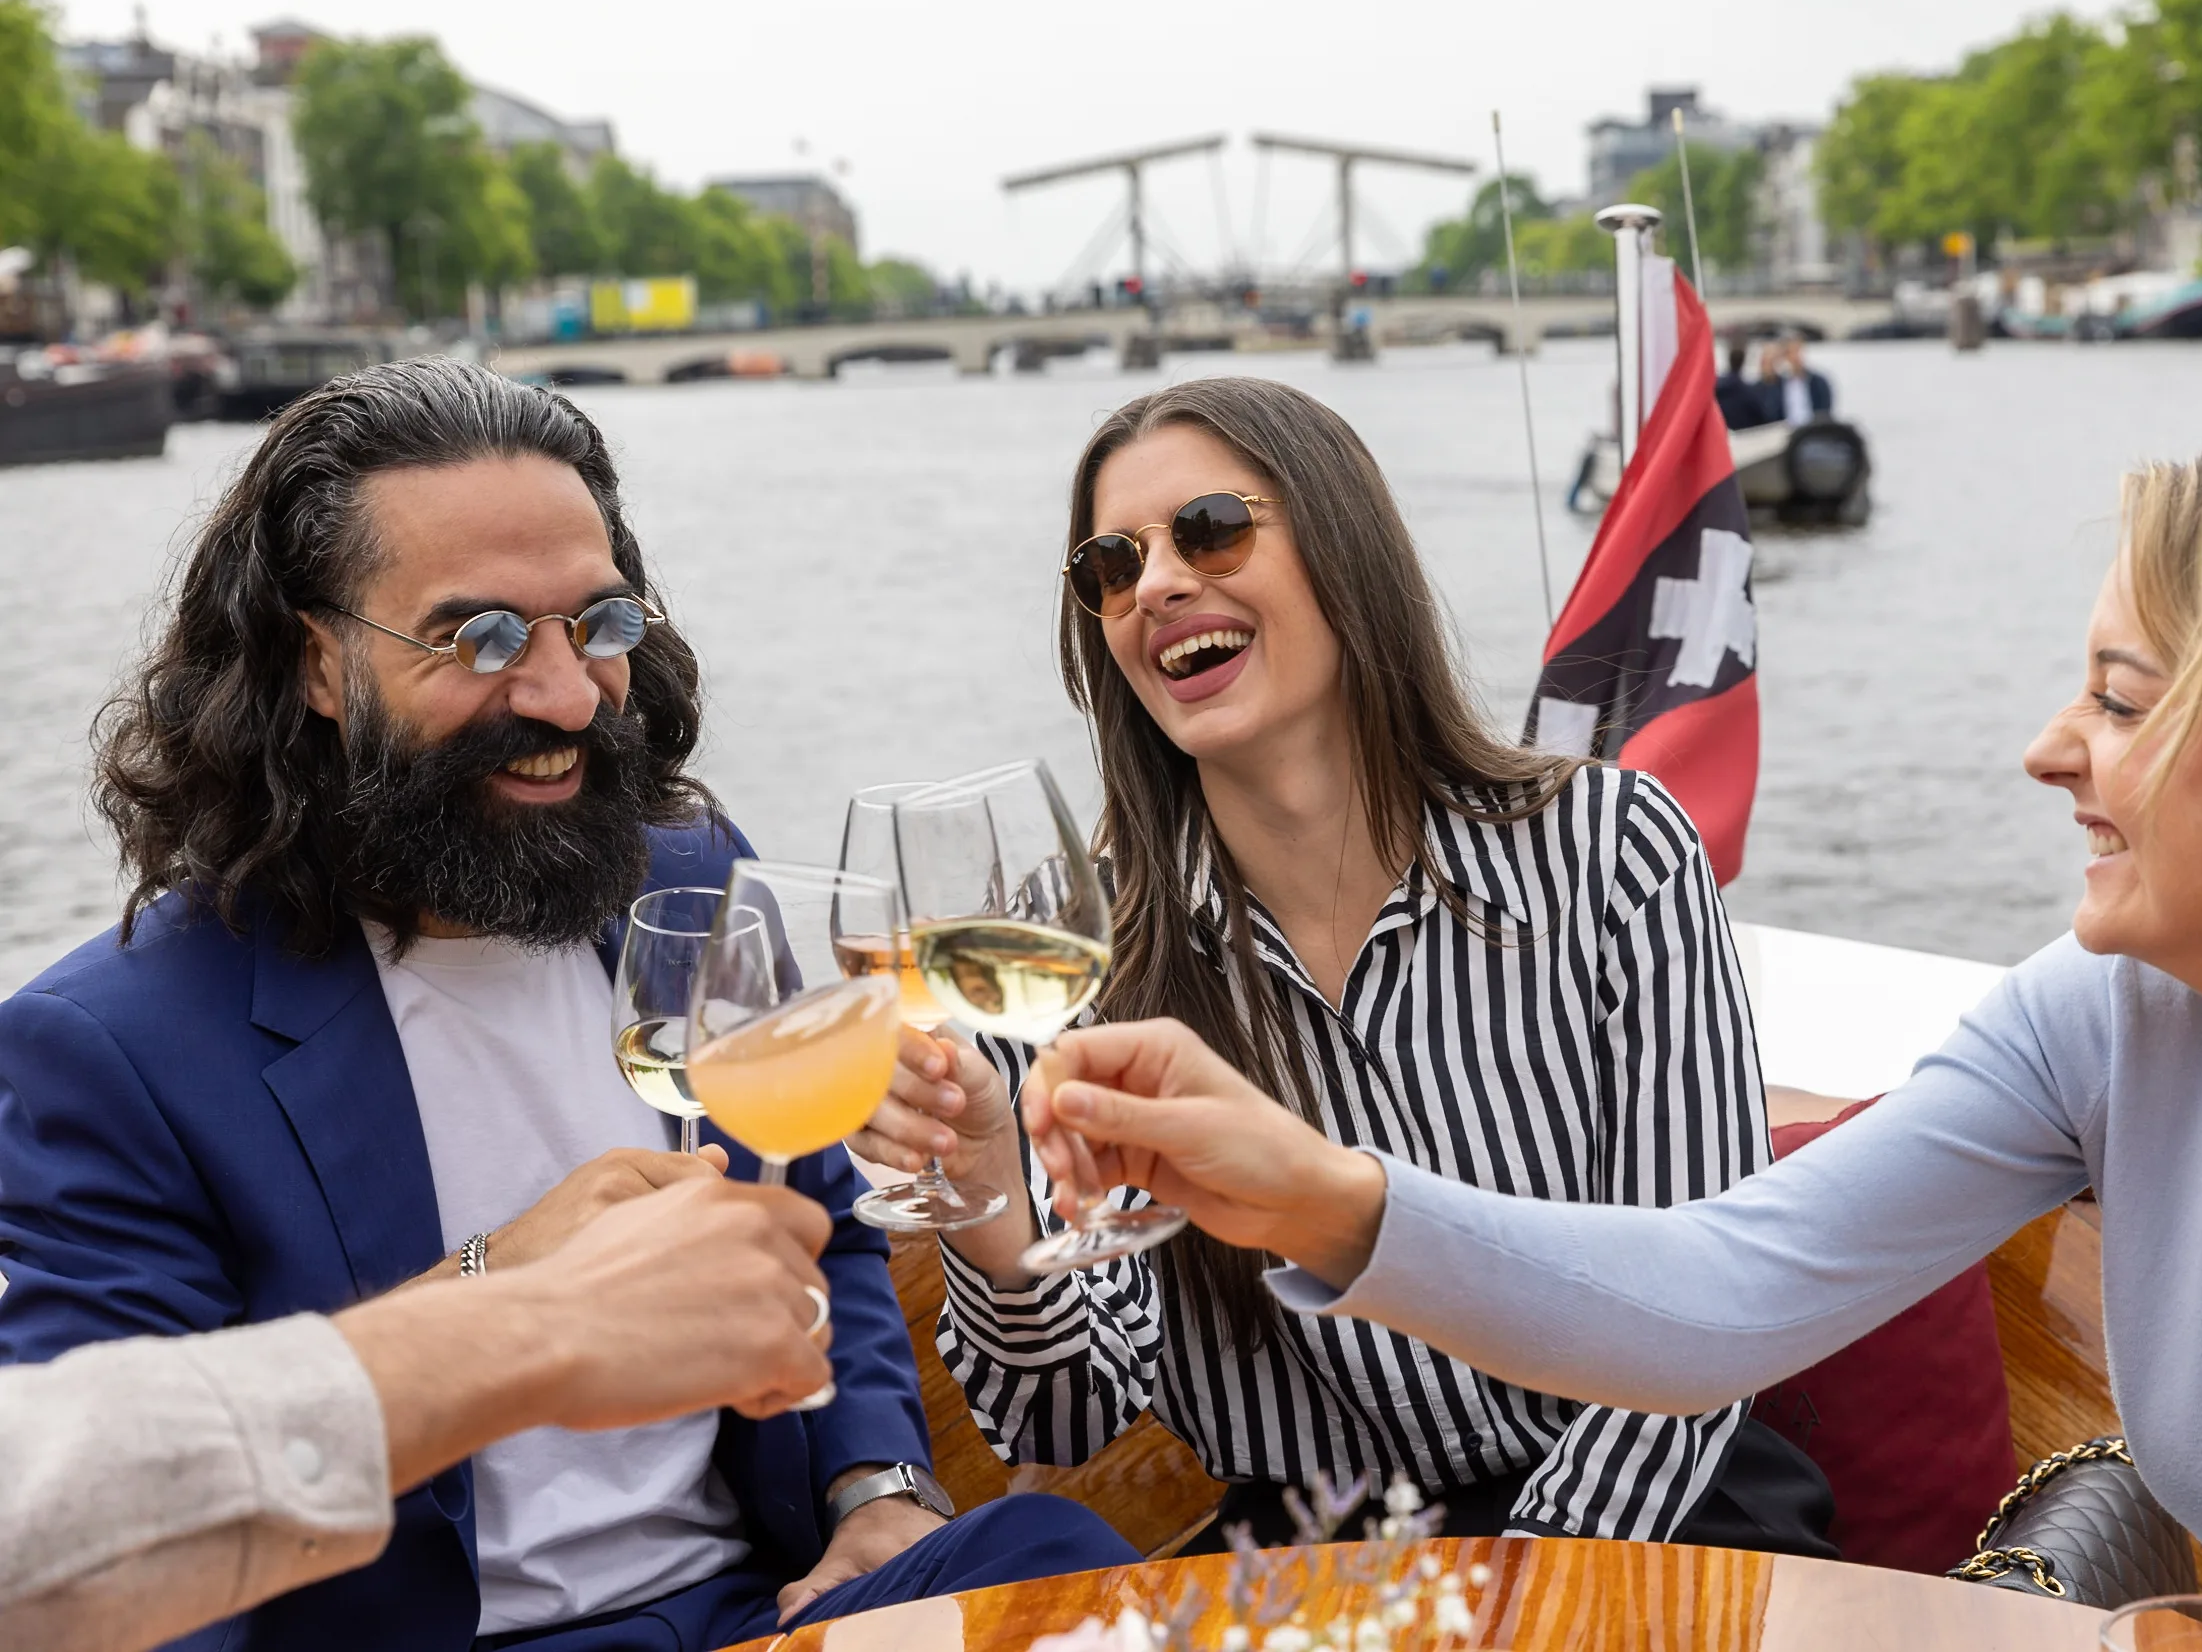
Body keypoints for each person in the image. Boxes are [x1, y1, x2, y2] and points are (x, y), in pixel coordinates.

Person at [1011, 415, 2202, 1652]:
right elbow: (1721, 1291)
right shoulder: (2101, 1024)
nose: (2047, 749)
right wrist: (1308, 1193)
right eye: (1111, 559)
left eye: (2122, 699)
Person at [0, 360, 1133, 1652]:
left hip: (758, 1615)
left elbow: (817, 1219)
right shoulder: (106, 1050)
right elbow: (111, 1532)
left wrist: (874, 1487)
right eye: (479, 638)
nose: (563, 695)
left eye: (596, 625)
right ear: (315, 664)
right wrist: (498, 1285)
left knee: (1059, 1571)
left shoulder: (693, 882)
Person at [854, 377, 1831, 1555]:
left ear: (1343, 545)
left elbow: (1703, 1308)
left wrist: (1521, 1592)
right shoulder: (1074, 950)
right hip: (1317, 1555)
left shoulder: (1612, 853)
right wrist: (986, 1194)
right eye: (1112, 565)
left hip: (1651, 1506)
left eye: (1209, 529)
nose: (1157, 581)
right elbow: (1061, 1410)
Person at [4, 1177, 838, 1652]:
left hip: (776, 1600)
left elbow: (835, 1228)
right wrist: (522, 1312)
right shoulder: (99, 1030)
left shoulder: (691, 875)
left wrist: (879, 1486)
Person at [1764, 334, 1834, 425]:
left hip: (1811, 431)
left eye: (1797, 351)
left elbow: (1824, 412)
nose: (1794, 357)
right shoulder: (1777, 384)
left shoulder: (1818, 382)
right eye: (1789, 353)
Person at [1714, 340, 1773, 431]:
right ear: (1743, 362)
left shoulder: (1719, 389)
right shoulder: (1746, 391)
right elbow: (1761, 416)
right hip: (1745, 435)